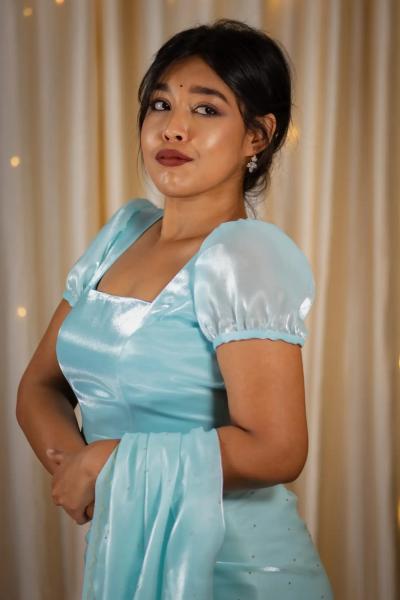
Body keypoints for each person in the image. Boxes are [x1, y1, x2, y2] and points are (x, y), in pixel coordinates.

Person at [16, 18, 334, 600]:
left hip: (231, 569)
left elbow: (279, 449)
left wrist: (111, 463)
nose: (174, 128)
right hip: (124, 549)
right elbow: (40, 385)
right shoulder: (123, 233)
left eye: (206, 110)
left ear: (257, 136)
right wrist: (77, 467)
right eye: (161, 104)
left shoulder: (244, 255)